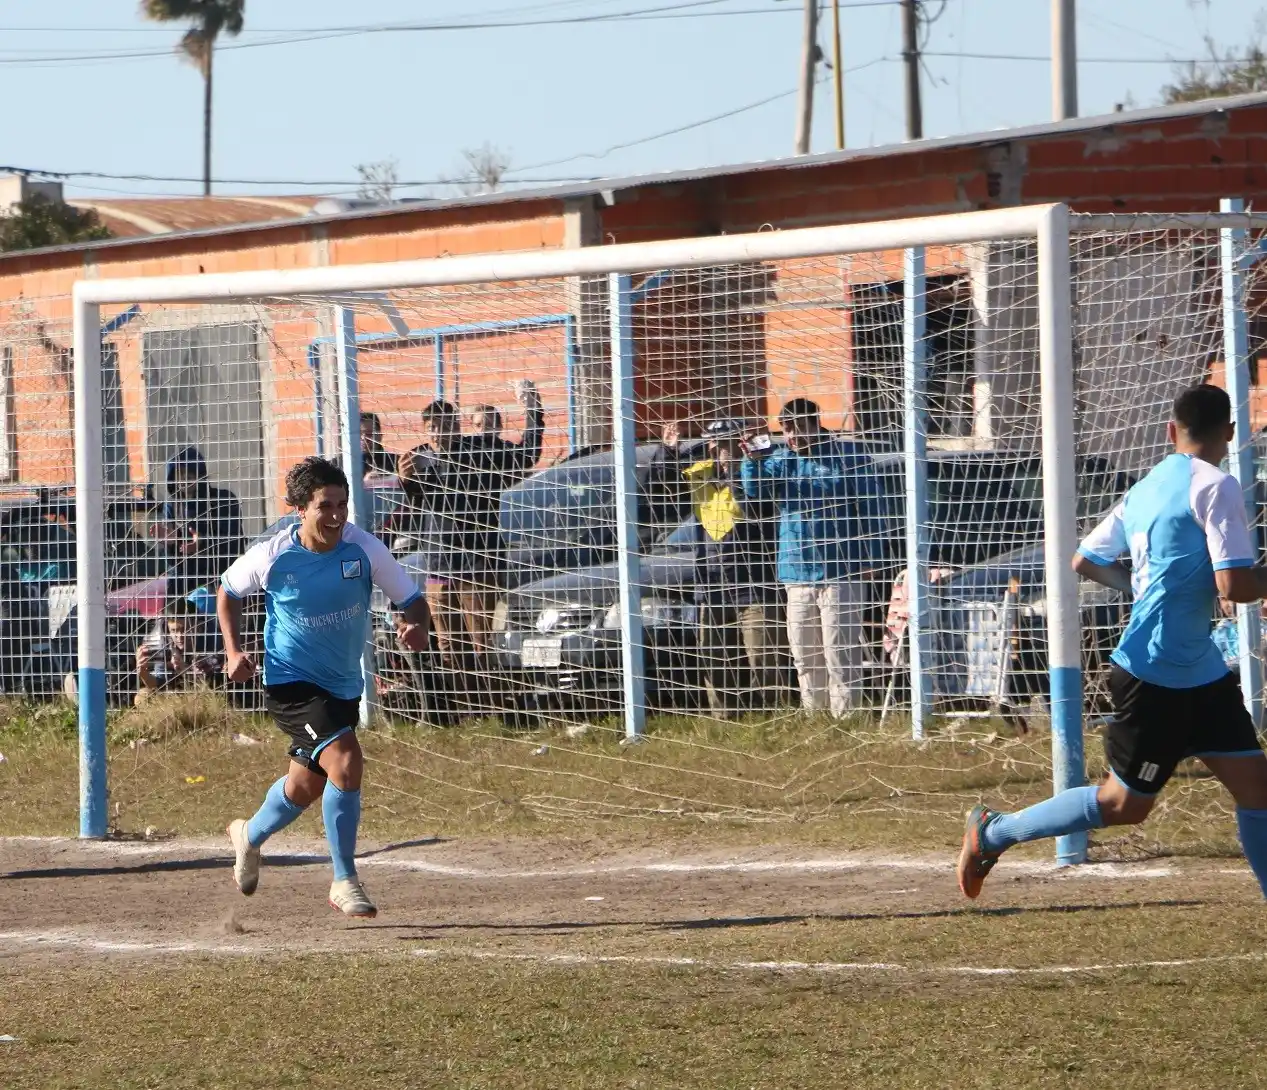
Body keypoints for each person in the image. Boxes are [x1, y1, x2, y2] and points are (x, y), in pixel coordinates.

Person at [957, 384, 1267, 901]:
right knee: (1125, 805)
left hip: (1201, 670)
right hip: (1154, 673)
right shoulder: (1218, 485)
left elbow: (1086, 559)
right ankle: (993, 831)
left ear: (1171, 430)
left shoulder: (1147, 485)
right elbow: (1234, 586)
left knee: (1258, 788)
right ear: (1230, 433)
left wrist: (1139, 588)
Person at [219, 456, 429, 918]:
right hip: (290, 683)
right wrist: (234, 653)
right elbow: (229, 592)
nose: (336, 516)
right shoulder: (273, 555)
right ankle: (344, 879)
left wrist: (417, 629)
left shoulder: (364, 549)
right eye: (324, 506)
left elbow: (413, 601)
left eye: (342, 505)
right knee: (347, 760)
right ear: (298, 508)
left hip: (342, 686)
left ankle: (249, 835)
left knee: (305, 786)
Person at [397, 381, 543, 701]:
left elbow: (528, 454)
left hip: (478, 566)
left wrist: (533, 409)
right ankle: (463, 707)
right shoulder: (420, 460)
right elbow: (417, 505)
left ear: (457, 425)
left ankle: (493, 706)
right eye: (432, 427)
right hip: (438, 567)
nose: (438, 433)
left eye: (445, 425)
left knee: (482, 642)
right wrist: (406, 482)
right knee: (449, 644)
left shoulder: (482, 452)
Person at [740, 398, 886, 717]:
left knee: (839, 654)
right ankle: (814, 718)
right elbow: (754, 490)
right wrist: (752, 460)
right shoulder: (781, 459)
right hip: (796, 573)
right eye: (787, 429)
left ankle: (846, 719)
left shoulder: (848, 457)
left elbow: (874, 509)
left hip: (841, 572)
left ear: (815, 421)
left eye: (798, 427)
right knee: (804, 656)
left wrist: (871, 558)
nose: (792, 435)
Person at [671, 419, 781, 714]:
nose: (716, 450)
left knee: (764, 659)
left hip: (754, 585)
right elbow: (659, 491)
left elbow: (755, 506)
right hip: (713, 587)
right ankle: (725, 719)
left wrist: (739, 468)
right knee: (715, 658)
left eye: (723, 444)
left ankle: (770, 715)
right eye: (712, 444)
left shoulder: (758, 472)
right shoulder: (701, 478)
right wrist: (667, 452)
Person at [157, 447, 245, 600]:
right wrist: (171, 544)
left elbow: (234, 544)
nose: (184, 480)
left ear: (199, 475)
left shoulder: (223, 500)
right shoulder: (172, 506)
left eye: (189, 474)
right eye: (179, 475)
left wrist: (202, 543)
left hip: (220, 576)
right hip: (185, 581)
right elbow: (171, 563)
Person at [135, 597, 222, 704]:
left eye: (186, 630)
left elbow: (212, 687)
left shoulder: (212, 641)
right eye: (174, 630)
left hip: (204, 696)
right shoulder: (162, 641)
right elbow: (158, 684)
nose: (180, 636)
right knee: (142, 697)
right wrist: (143, 673)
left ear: (199, 628)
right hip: (174, 693)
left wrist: (184, 670)